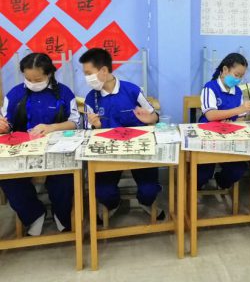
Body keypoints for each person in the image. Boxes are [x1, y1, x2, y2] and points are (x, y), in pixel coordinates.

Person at [79, 48, 164, 220]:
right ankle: (114, 203)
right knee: (104, 192)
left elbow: (154, 116)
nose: (86, 78)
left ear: (103, 70)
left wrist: (150, 118)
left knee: (149, 190)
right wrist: (96, 126)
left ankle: (145, 202)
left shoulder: (132, 90)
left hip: (138, 151)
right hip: (109, 154)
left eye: (88, 73)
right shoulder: (91, 98)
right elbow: (87, 132)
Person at [0, 53, 79, 235]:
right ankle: (34, 214)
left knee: (64, 181)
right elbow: (7, 123)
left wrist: (52, 127)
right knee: (8, 180)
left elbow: (75, 122)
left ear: (49, 74)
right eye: (28, 79)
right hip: (22, 152)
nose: (32, 83)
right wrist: (3, 127)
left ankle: (61, 214)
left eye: (37, 79)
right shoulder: (15, 94)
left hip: (57, 150)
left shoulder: (64, 92)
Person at [198, 53, 250, 190]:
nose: (238, 79)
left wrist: (236, 119)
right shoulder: (210, 87)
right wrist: (238, 109)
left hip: (229, 140)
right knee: (202, 175)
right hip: (209, 139)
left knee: (239, 169)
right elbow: (210, 115)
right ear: (224, 70)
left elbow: (240, 118)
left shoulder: (238, 92)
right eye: (236, 75)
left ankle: (221, 182)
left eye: (241, 76)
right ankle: (196, 188)